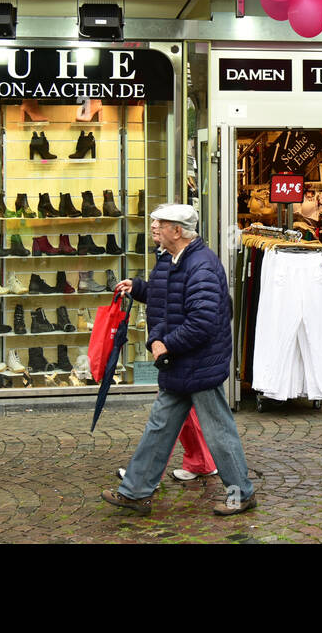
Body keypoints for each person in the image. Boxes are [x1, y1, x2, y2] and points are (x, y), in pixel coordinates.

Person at [102, 204, 257, 517]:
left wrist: (165, 344)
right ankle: (135, 492)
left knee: (218, 431)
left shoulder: (201, 265)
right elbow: (167, 296)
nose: (155, 226)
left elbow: (203, 320)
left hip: (198, 364)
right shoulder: (171, 258)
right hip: (181, 363)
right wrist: (140, 288)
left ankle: (242, 494)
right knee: (160, 428)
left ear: (178, 231)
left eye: (161, 222)